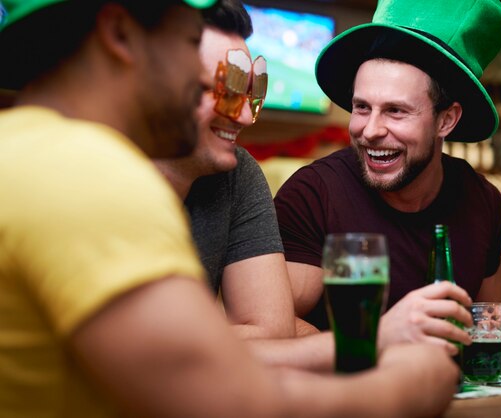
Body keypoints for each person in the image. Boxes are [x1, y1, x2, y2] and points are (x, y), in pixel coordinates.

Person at [0, 0, 459, 416]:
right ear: (120, 35)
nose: (240, 113)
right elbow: (224, 398)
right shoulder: (84, 172)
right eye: (188, 43)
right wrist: (407, 385)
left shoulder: (27, 147)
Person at [274, 0, 501, 350]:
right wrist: (374, 344)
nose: (370, 131)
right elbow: (273, 328)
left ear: (446, 120)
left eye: (396, 111)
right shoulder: (314, 194)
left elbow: (488, 326)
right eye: (362, 107)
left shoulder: (483, 201)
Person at [154, 0, 296, 340]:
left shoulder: (236, 170)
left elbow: (273, 334)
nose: (246, 116)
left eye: (250, 92)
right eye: (225, 90)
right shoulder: (90, 170)